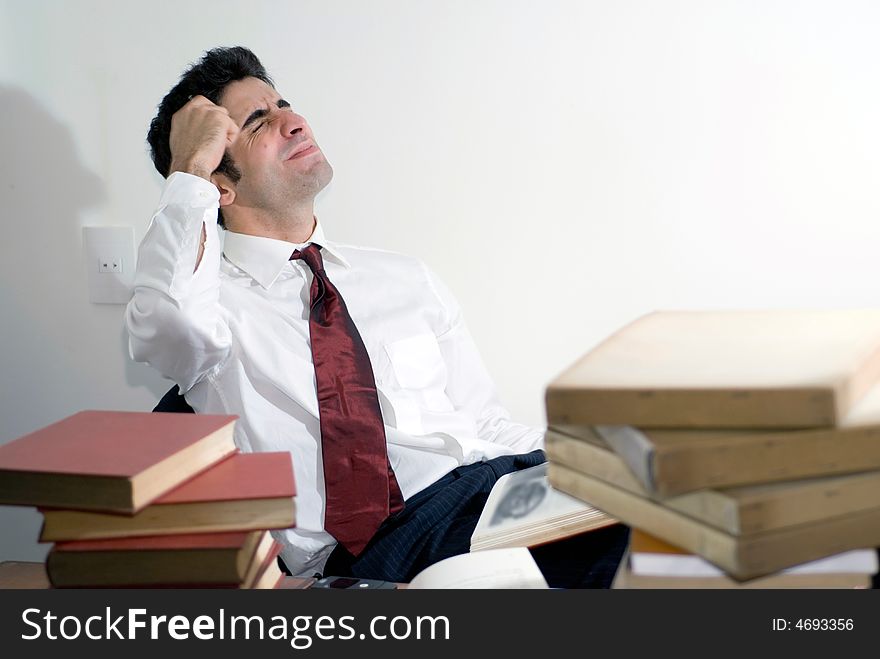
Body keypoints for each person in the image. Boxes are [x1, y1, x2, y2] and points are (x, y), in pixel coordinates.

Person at [126, 46, 627, 586]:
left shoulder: (405, 278)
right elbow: (168, 324)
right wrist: (188, 169)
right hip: (381, 544)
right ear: (219, 186)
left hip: (488, 490)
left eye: (285, 105)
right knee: (639, 528)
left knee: (668, 493)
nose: (294, 122)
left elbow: (484, 423)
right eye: (258, 123)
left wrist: (594, 460)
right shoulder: (209, 305)